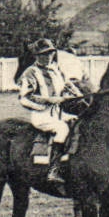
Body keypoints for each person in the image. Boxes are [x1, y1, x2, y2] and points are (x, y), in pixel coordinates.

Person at [20, 38, 77, 185]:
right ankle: (54, 169)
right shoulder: (30, 72)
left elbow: (68, 87)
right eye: (43, 54)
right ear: (36, 56)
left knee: (77, 122)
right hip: (41, 115)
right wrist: (48, 100)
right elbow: (24, 97)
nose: (47, 57)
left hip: (59, 113)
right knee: (63, 129)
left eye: (50, 53)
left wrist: (77, 95)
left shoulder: (56, 69)